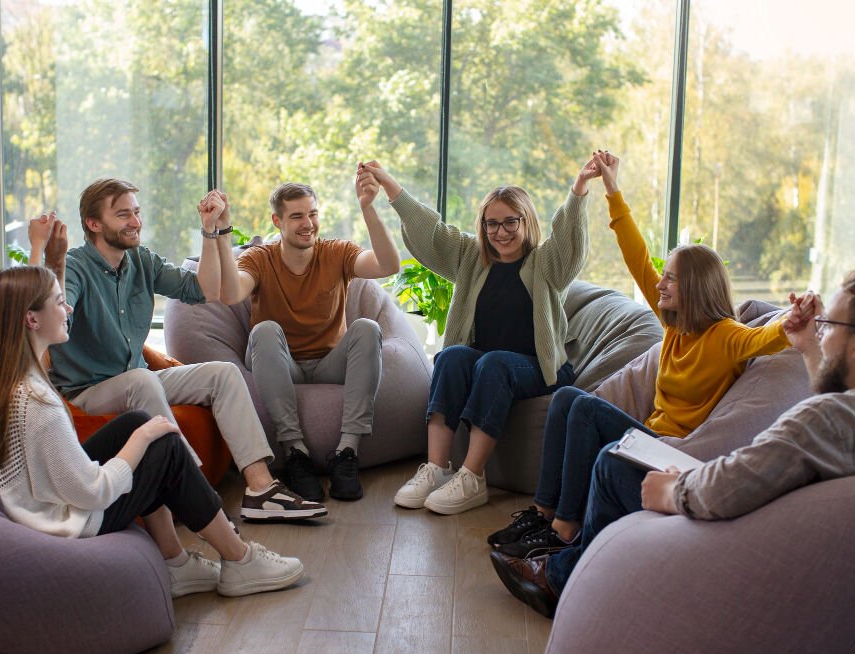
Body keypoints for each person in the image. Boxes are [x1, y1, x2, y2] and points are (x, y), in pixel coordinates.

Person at [491, 269, 855, 618]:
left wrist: (673, 489)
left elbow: (731, 486)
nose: (821, 332)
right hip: (793, 547)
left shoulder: (818, 423)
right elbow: (835, 409)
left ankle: (563, 581)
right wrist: (810, 345)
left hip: (735, 547)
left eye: (829, 327)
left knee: (613, 465)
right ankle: (569, 555)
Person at [487, 151, 812, 559]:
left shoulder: (726, 335)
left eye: (671, 278)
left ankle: (564, 529)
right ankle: (543, 512)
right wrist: (611, 187)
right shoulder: (675, 325)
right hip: (647, 437)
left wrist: (797, 318)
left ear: (694, 286)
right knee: (569, 398)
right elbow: (635, 253)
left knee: (584, 409)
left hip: (670, 450)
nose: (661, 283)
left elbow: (769, 338)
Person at [0, 263, 306, 599]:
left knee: (139, 421)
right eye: (57, 301)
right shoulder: (38, 403)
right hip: (66, 525)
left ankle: (175, 562)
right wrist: (139, 444)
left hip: (42, 505)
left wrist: (141, 433)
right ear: (31, 319)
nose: (68, 307)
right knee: (162, 444)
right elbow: (93, 492)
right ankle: (238, 558)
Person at [31, 181, 326, 522]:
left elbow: (205, 290)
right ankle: (194, 493)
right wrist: (50, 258)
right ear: (94, 224)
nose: (135, 222)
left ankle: (261, 490)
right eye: (123, 214)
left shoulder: (140, 260)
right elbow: (53, 312)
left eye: (137, 212)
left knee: (222, 374)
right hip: (88, 390)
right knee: (142, 380)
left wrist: (209, 231)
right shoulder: (76, 268)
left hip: (140, 378)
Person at [359, 157, 593, 515]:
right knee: (452, 356)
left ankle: (472, 477)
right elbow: (431, 232)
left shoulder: (547, 263)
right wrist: (389, 185)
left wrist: (578, 189)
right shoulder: (472, 256)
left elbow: (570, 241)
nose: (500, 232)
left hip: (538, 368)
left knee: (492, 362)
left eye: (510, 222)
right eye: (491, 224)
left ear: (526, 221)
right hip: (487, 363)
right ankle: (437, 468)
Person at [227, 172, 401, 502]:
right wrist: (218, 237)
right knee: (264, 331)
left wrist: (367, 207)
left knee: (367, 328)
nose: (308, 223)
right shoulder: (258, 258)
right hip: (281, 363)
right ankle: (295, 454)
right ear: (277, 220)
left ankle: (347, 453)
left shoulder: (336, 252)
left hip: (328, 363)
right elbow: (233, 291)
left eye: (313, 214)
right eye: (297, 216)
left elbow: (388, 265)